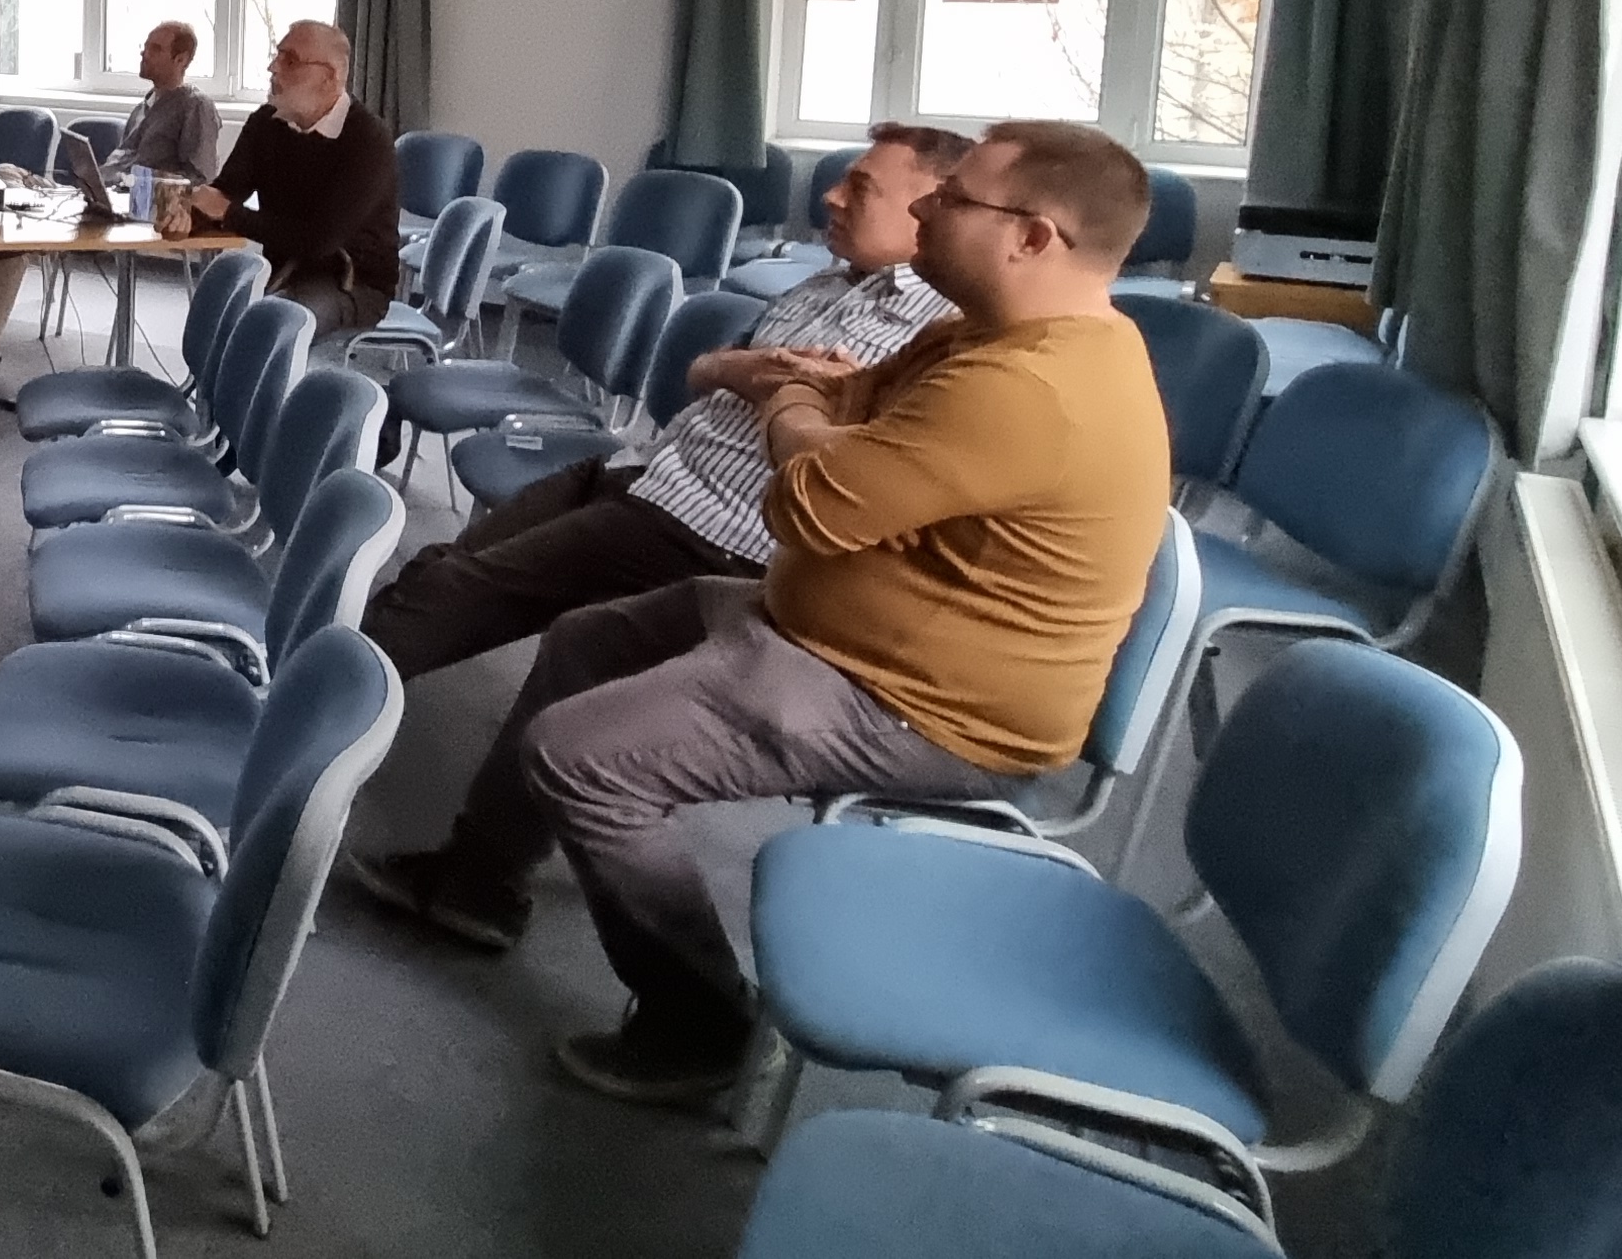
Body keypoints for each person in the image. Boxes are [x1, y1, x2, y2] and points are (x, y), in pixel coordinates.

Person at [350, 120, 1172, 1110]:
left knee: (583, 755)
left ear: (1033, 236)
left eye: (954, 200)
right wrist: (806, 402)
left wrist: (783, 399)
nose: (926, 207)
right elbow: (845, 398)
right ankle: (478, 882)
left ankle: (700, 1023)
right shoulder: (985, 333)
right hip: (833, 627)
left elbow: (810, 502)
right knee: (587, 638)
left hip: (918, 703)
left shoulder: (1033, 385)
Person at [351, 124, 968, 702]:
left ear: (929, 208)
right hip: (644, 468)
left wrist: (808, 396)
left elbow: (868, 481)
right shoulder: (826, 284)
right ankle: (333, 677)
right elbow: (704, 371)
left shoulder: (943, 335)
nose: (830, 196)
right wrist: (739, 371)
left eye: (860, 187)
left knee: (461, 591)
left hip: (707, 528)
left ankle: (321, 704)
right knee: (442, 565)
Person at [0, 20, 221, 362]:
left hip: (134, 208)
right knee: (7, 173)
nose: (144, 53)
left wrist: (137, 185)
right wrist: (94, 183)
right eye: (146, 45)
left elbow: (200, 178)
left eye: (155, 48)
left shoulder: (195, 107)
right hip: (98, 195)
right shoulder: (145, 105)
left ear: (181, 59)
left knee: (20, 230)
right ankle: (11, 237)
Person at [184, 21, 397, 334]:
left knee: (278, 320)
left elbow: (320, 241)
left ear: (330, 77)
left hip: (351, 281)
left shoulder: (368, 139)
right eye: (277, 56)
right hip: (284, 270)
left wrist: (228, 213)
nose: (273, 68)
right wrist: (189, 213)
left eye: (291, 60)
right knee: (215, 309)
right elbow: (225, 192)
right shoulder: (266, 123)